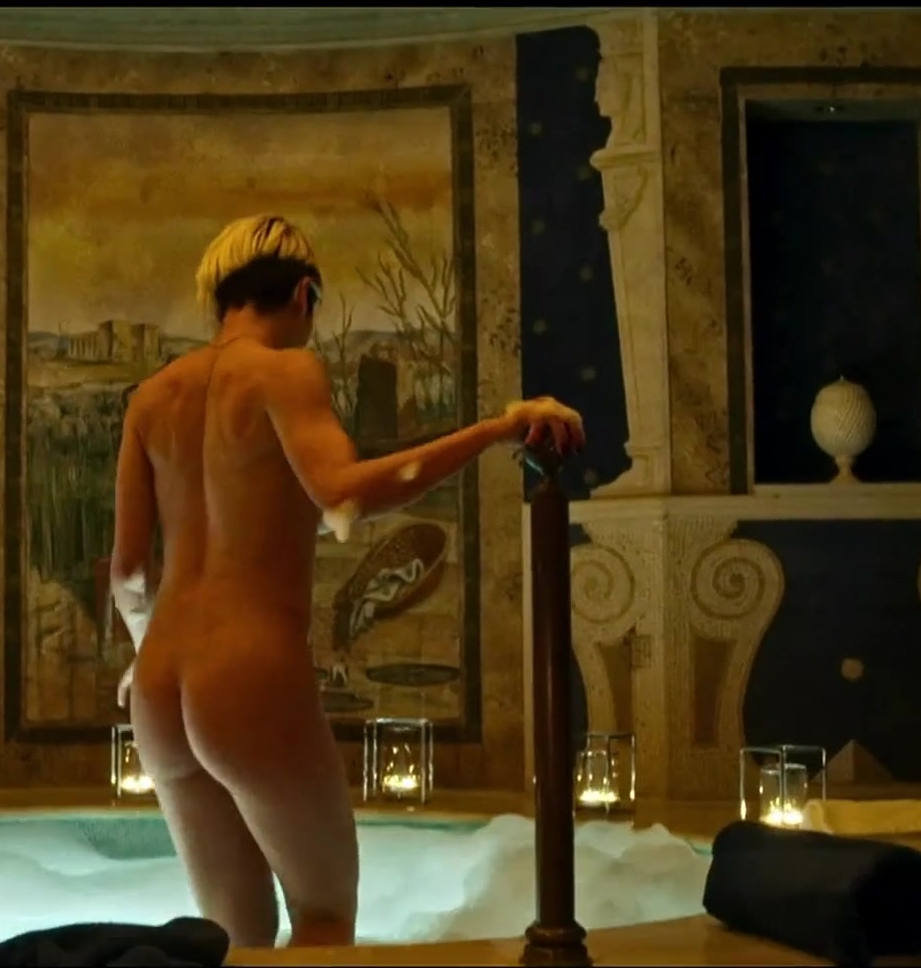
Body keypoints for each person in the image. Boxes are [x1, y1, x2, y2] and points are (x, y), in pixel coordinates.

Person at [108, 215, 584, 948]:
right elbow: (343, 494)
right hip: (245, 673)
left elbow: (129, 572)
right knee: (324, 919)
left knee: (232, 940)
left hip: (157, 687)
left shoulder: (150, 398)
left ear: (221, 299)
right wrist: (497, 428)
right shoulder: (284, 371)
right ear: (304, 295)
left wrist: (145, 652)